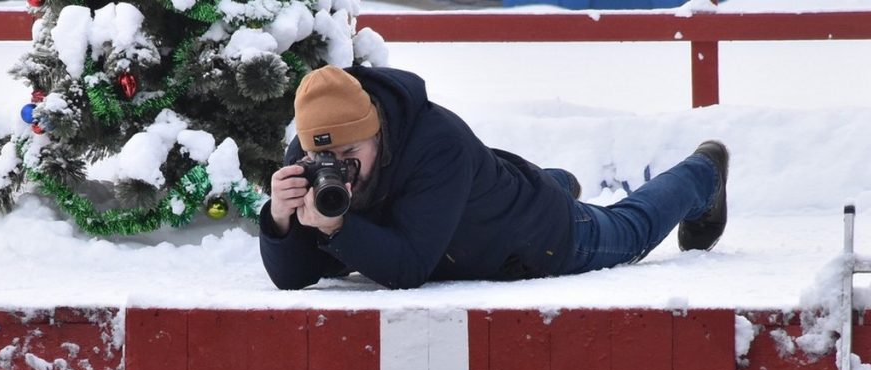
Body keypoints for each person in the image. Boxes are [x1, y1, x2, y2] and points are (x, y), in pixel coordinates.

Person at [259, 65, 729, 291]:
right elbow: (293, 278)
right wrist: (279, 220)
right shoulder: (310, 154)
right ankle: (555, 180)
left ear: (378, 130)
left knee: (631, 227)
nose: (339, 166)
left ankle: (702, 173)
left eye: (351, 154)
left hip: (532, 236)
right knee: (488, 188)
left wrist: (337, 227)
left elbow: (408, 268)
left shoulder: (436, 143)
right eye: (325, 155)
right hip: (470, 209)